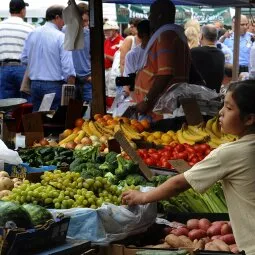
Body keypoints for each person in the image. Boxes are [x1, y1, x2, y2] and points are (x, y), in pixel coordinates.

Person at [122, 79, 255, 255]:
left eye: (229, 108)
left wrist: (144, 197)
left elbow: (180, 183)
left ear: (249, 119)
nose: (220, 113)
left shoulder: (230, 153)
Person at [133, 0, 190, 116]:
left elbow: (165, 74)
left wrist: (146, 101)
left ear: (159, 16)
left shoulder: (165, 37)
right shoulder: (176, 35)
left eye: (151, 14)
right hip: (167, 107)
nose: (149, 18)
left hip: (158, 111)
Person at [20, 5, 76, 112]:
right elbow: (68, 67)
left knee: (37, 120)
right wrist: (70, 87)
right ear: (57, 17)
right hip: (53, 85)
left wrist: (37, 65)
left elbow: (24, 58)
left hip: (35, 84)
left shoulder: (32, 33)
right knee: (53, 121)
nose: (65, 23)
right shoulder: (61, 36)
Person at [0, 0, 34, 99]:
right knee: (26, 102)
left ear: (10, 10)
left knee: (6, 104)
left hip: (3, 68)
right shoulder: (30, 28)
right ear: (23, 10)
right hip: (23, 68)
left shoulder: (1, 26)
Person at [189, 24, 225, 93]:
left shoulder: (194, 52)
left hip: (197, 97)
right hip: (214, 97)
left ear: (201, 36)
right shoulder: (221, 54)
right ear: (216, 37)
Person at [122, 20, 150, 96]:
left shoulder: (158, 51)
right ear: (141, 35)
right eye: (149, 34)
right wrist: (127, 94)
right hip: (138, 96)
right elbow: (127, 78)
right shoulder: (132, 55)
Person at [71, 3, 92, 104]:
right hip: (70, 80)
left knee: (89, 115)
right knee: (71, 114)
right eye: (84, 21)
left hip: (87, 80)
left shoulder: (90, 34)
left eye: (87, 21)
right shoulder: (63, 33)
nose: (86, 24)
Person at [103, 20, 124, 108]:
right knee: (107, 93)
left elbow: (119, 60)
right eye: (105, 30)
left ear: (115, 30)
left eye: (108, 30)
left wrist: (106, 56)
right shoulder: (107, 41)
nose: (106, 32)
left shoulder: (121, 41)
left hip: (114, 72)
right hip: (106, 71)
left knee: (113, 94)